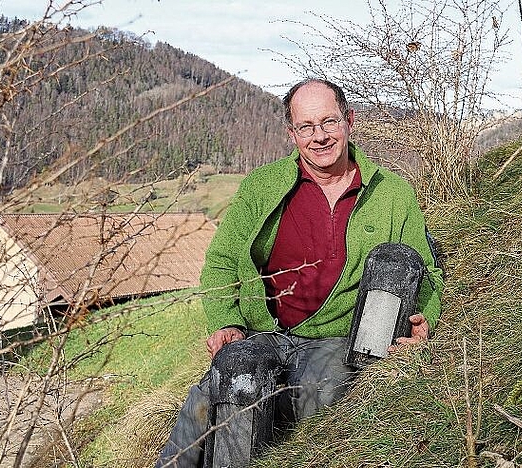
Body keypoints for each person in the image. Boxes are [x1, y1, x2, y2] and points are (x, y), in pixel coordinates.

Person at [155, 78, 443, 467]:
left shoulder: (392, 193)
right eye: (306, 127)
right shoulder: (263, 186)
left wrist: (423, 321)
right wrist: (227, 322)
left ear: (349, 120)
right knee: (236, 369)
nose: (319, 136)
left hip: (337, 340)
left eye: (329, 122)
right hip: (265, 332)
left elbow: (424, 269)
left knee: (275, 393)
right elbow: (223, 259)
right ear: (292, 133)